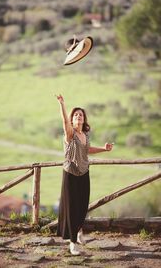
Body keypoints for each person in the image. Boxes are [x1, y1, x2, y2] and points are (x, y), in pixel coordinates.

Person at [56, 94, 114, 255]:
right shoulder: (70, 133)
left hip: (84, 172)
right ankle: (72, 243)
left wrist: (104, 148)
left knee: (82, 205)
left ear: (84, 119)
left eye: (80, 114)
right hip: (70, 174)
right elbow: (64, 122)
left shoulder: (85, 135)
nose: (78, 116)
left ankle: (79, 230)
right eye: (75, 115)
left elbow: (87, 150)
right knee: (72, 207)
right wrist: (62, 104)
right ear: (72, 120)